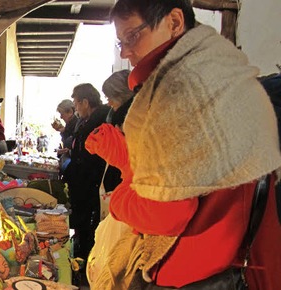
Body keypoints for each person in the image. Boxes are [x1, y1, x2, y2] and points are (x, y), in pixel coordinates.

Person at [85, 0, 281, 289]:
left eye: (133, 37)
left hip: (199, 273)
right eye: (120, 42)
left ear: (174, 22)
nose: (126, 52)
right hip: (249, 267)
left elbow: (165, 214)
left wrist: (120, 198)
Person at [63, 83, 111, 285]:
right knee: (83, 226)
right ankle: (80, 261)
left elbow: (94, 157)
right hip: (83, 182)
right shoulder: (87, 121)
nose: (75, 108)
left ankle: (84, 266)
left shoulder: (100, 122)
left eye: (76, 103)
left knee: (89, 227)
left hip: (92, 184)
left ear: (85, 102)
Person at [52, 99, 79, 177]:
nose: (60, 117)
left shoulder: (75, 123)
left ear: (70, 112)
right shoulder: (70, 123)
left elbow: (70, 144)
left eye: (62, 113)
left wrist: (67, 151)